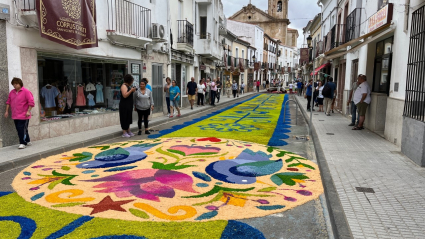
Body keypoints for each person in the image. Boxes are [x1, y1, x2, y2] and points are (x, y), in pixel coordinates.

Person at [5, 77, 35, 149]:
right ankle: (27, 140)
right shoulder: (12, 92)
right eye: (13, 84)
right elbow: (8, 102)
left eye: (16, 84)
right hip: (15, 115)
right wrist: (6, 111)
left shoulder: (26, 91)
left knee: (21, 128)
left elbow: (31, 102)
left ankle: (22, 143)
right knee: (22, 128)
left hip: (24, 115)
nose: (15, 85)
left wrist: (28, 111)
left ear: (20, 84)